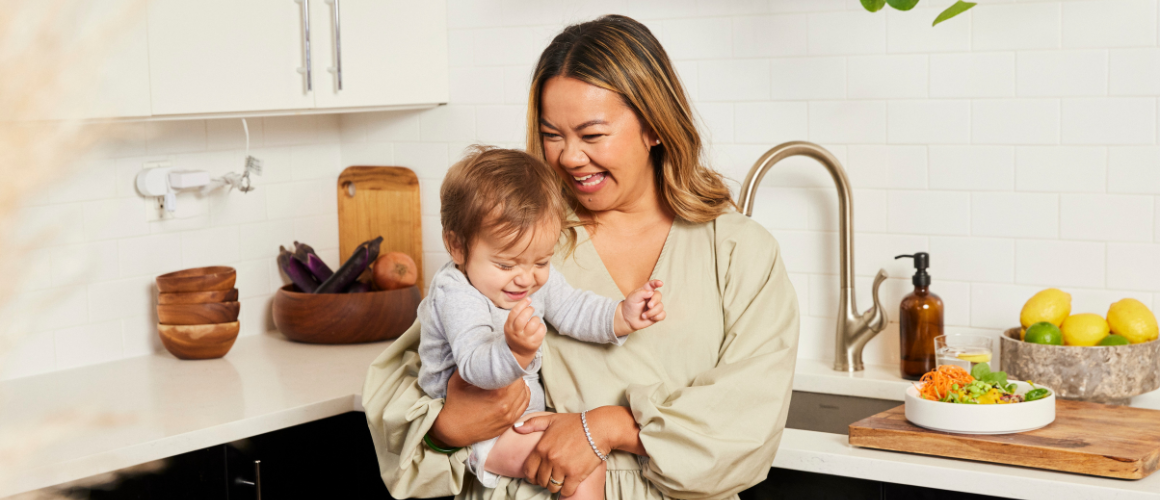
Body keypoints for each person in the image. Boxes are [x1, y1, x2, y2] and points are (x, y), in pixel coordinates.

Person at [364, 14, 800, 500]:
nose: (570, 157)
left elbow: (750, 424)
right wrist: (447, 428)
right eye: (553, 135)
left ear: (654, 127)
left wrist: (606, 427)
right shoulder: (521, 240)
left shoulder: (739, 251)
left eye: (592, 136)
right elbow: (406, 395)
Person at [417, 146, 666, 499]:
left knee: (584, 461)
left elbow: (572, 309)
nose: (526, 279)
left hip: (517, 418)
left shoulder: (531, 277)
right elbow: (473, 367)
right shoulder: (456, 294)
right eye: (506, 265)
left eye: (541, 261)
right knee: (582, 470)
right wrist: (515, 350)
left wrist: (620, 315)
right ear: (457, 247)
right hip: (481, 431)